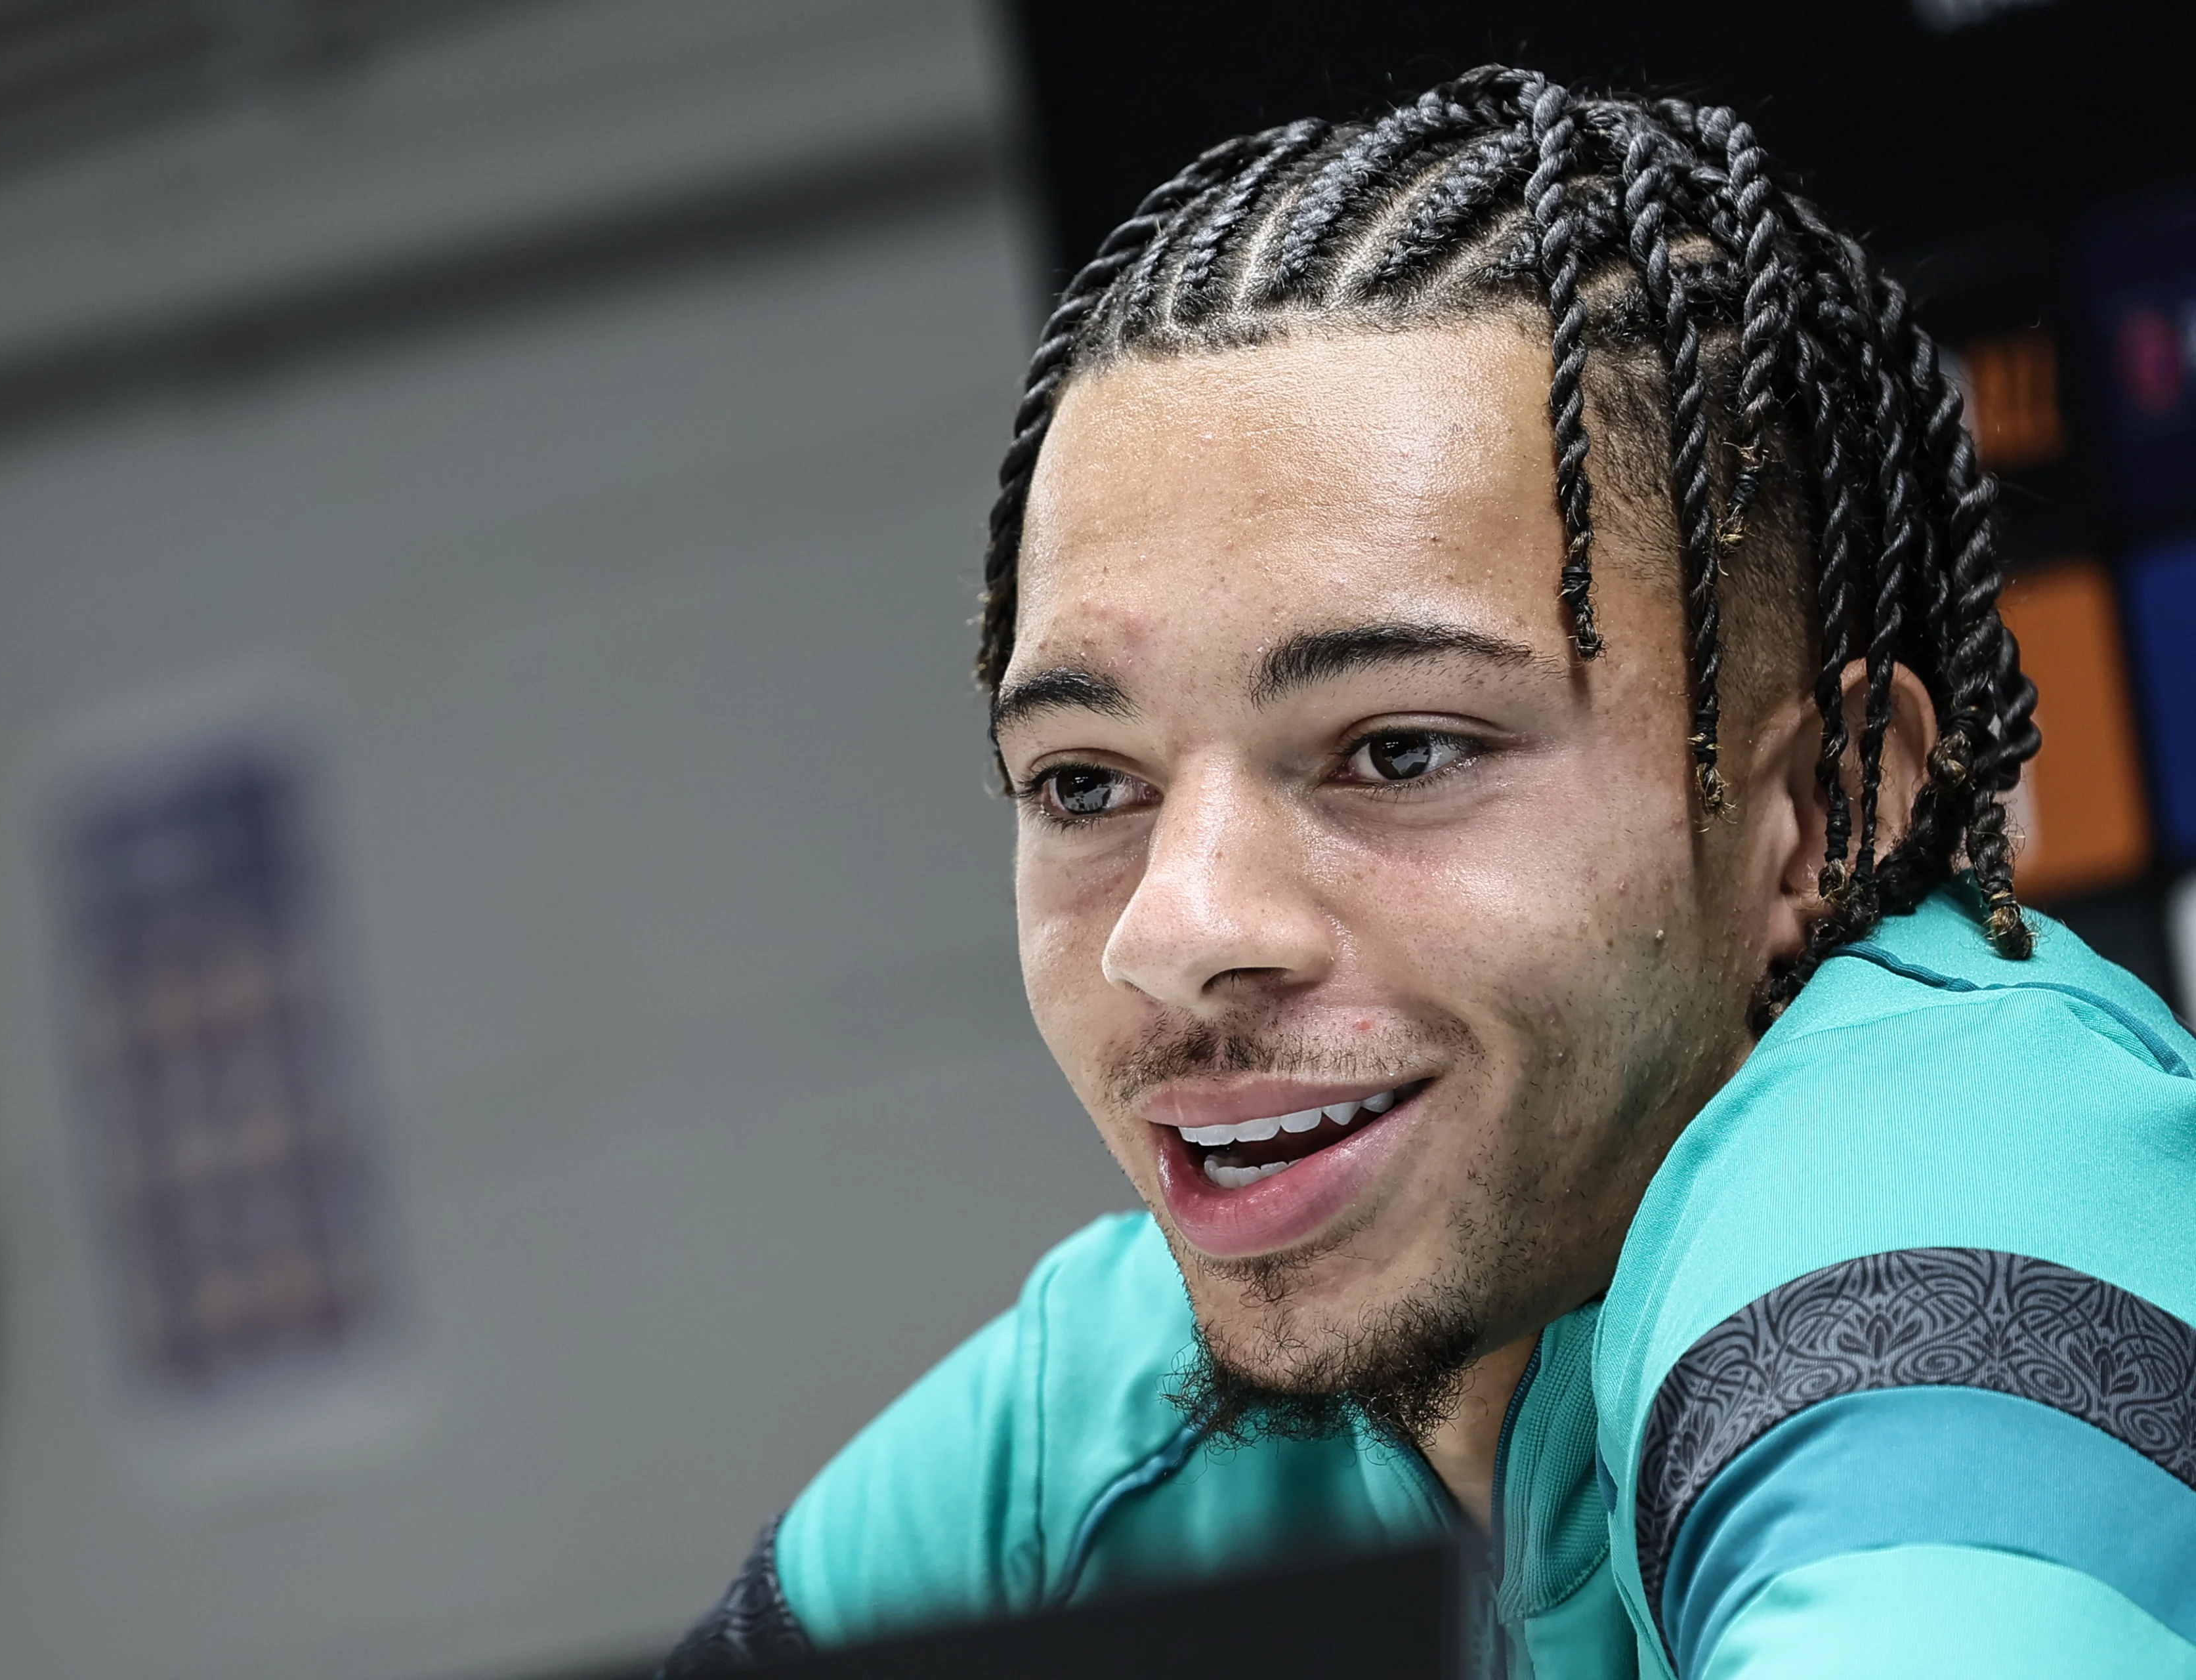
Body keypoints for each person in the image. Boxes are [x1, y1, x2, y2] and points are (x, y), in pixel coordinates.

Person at [662, 67, 2196, 1678]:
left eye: (1400, 750)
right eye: (1085, 780)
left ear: (1820, 812)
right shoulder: (1104, 1415)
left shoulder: (1941, 1182)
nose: (1172, 931)